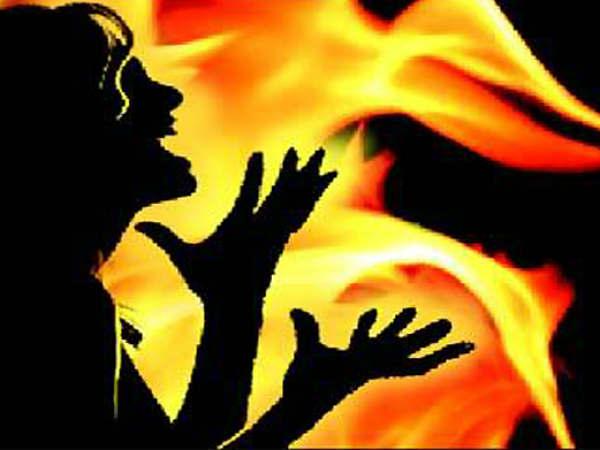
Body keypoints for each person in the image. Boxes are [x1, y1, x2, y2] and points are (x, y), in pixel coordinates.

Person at [0, 3, 474, 447]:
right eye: (120, 90)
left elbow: (197, 435)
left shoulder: (63, 294)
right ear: (63, 136)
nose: (167, 96)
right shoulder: (58, 306)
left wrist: (237, 304)